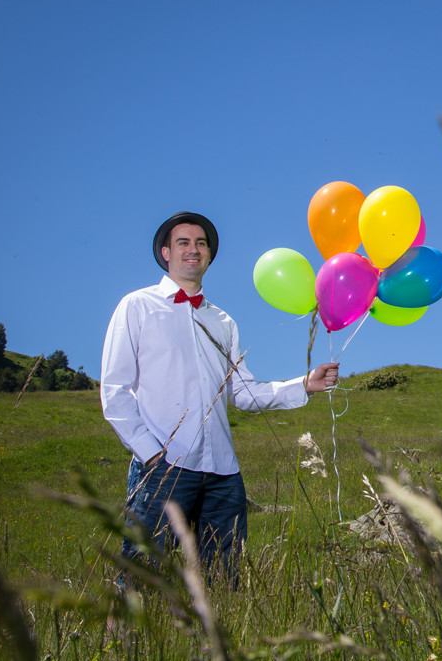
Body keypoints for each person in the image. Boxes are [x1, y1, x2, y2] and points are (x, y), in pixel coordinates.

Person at [101, 211, 339, 582]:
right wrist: (150, 454)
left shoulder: (223, 322)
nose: (193, 250)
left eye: (201, 243)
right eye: (183, 242)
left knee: (225, 581)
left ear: (209, 255)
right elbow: (115, 390)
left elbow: (242, 393)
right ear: (166, 253)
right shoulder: (137, 306)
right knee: (143, 576)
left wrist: (304, 384)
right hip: (164, 466)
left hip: (223, 474)